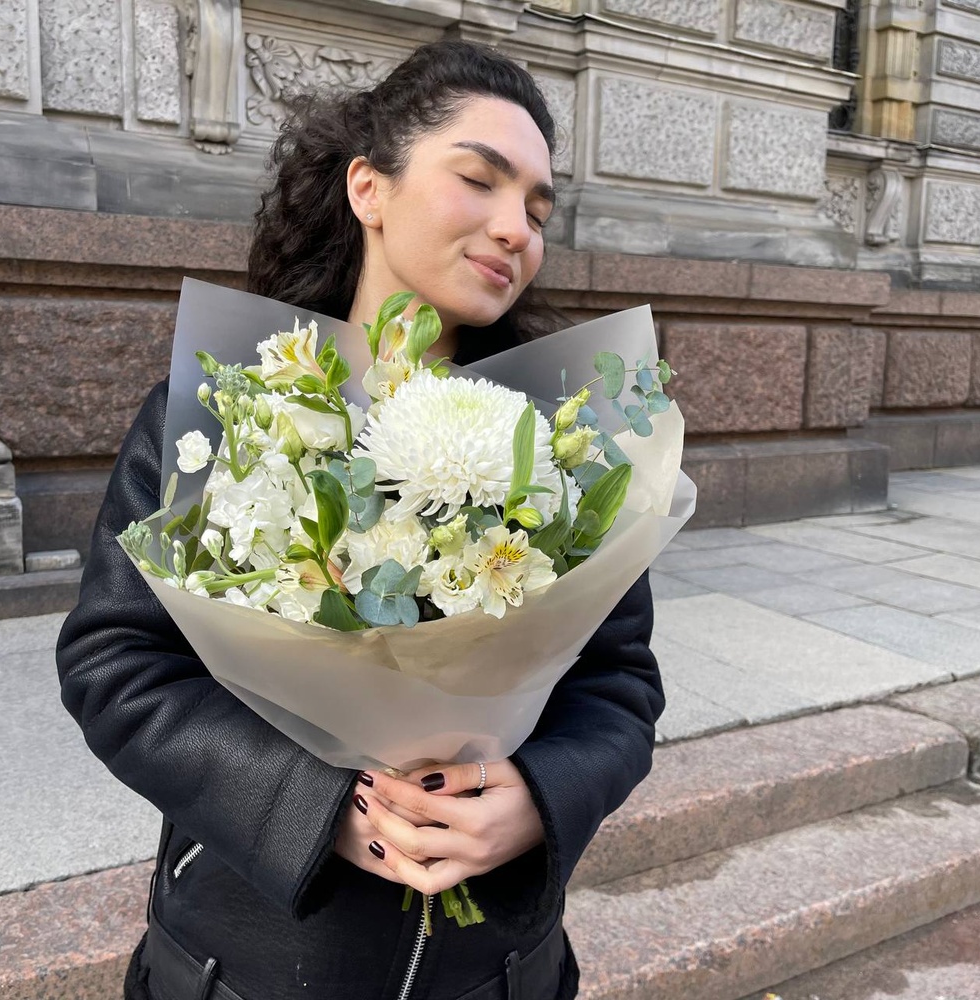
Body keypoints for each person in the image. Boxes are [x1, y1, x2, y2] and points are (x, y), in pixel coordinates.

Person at [56, 39, 663, 1000]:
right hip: (246, 956)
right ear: (368, 188)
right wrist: (318, 809)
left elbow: (619, 684)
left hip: (495, 966)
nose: (517, 229)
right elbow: (115, 663)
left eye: (540, 211)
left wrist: (537, 803)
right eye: (480, 181)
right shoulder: (233, 415)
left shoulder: (563, 444)